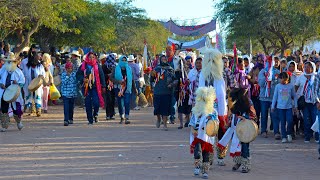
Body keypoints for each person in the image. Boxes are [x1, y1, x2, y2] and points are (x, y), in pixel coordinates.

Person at [198, 48, 228, 166]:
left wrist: (222, 112)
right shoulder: (203, 75)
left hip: (216, 108)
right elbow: (201, 92)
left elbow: (221, 94)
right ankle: (209, 157)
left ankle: (219, 157)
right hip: (207, 108)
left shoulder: (219, 76)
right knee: (208, 132)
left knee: (219, 132)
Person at [218, 88, 257, 173]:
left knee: (245, 147)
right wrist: (228, 124)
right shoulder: (235, 103)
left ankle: (246, 165)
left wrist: (245, 118)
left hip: (246, 129)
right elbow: (233, 115)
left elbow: (253, 116)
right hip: (236, 129)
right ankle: (238, 162)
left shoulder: (248, 103)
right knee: (236, 146)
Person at [189, 86, 217, 179]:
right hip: (196, 135)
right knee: (197, 152)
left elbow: (216, 123)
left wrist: (211, 119)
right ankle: (197, 166)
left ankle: (205, 171)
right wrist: (193, 129)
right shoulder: (196, 110)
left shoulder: (213, 111)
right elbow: (192, 122)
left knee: (206, 153)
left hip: (207, 136)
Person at [76, 52, 106, 125]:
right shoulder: (83, 65)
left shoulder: (97, 66)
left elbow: (102, 76)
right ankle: (90, 119)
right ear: (87, 58)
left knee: (96, 103)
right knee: (88, 103)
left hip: (95, 87)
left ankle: (95, 114)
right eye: (90, 57)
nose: (91, 58)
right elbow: (78, 75)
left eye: (93, 57)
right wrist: (82, 79)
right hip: (86, 87)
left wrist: (104, 86)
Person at [0, 53, 25, 132]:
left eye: (11, 62)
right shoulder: (2, 70)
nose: (10, 63)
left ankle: (19, 122)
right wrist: (1, 84)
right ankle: (4, 125)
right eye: (8, 62)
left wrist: (16, 83)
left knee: (16, 108)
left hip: (14, 93)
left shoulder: (18, 71)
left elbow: (22, 82)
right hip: (4, 92)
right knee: (4, 109)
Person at [296, 61, 319, 143]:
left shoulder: (316, 76)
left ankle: (317, 136)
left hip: (314, 103)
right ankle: (307, 136)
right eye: (305, 67)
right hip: (305, 103)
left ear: (312, 68)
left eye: (308, 67)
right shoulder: (301, 76)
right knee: (306, 120)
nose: (306, 68)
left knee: (315, 120)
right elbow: (296, 87)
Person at [258, 56, 280, 139]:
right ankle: (263, 130)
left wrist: (273, 78)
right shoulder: (262, 72)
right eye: (268, 61)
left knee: (274, 115)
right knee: (264, 114)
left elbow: (279, 83)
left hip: (273, 97)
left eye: (271, 61)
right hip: (264, 97)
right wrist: (266, 77)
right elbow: (260, 83)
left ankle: (276, 131)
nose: (269, 63)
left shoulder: (277, 72)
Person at [271, 72, 297, 143]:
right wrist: (273, 106)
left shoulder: (291, 86)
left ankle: (289, 133)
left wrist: (295, 106)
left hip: (289, 107)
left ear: (288, 79)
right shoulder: (278, 86)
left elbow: (294, 96)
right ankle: (284, 136)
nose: (282, 80)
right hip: (280, 108)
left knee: (290, 121)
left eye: (284, 79)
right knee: (282, 122)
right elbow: (275, 97)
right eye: (281, 79)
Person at [151, 55, 175, 131]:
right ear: (160, 60)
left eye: (165, 59)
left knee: (165, 110)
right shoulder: (157, 69)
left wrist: (172, 84)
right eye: (163, 59)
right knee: (157, 108)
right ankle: (158, 119)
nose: (164, 60)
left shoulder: (170, 69)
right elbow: (151, 79)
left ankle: (165, 125)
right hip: (157, 91)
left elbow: (175, 79)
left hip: (167, 92)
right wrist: (152, 75)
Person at [111, 55, 134, 124]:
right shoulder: (115, 68)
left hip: (127, 88)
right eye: (122, 60)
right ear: (120, 60)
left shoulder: (129, 69)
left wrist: (134, 89)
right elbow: (111, 78)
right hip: (118, 88)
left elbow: (132, 79)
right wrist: (119, 81)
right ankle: (122, 116)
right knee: (120, 103)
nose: (124, 61)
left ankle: (127, 117)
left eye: (125, 60)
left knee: (127, 102)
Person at [23, 51, 46, 117]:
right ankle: (32, 110)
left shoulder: (40, 66)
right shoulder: (27, 66)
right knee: (29, 96)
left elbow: (43, 74)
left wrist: (40, 77)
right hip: (28, 83)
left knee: (37, 96)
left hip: (37, 84)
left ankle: (38, 111)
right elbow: (23, 74)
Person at [248, 54, 265, 128]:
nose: (260, 62)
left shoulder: (266, 69)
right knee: (256, 110)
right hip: (255, 92)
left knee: (264, 112)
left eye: (261, 60)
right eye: (258, 60)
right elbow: (249, 76)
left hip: (264, 91)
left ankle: (264, 128)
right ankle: (256, 125)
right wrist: (251, 80)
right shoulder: (254, 68)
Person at [61, 62, 77, 126]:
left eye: (70, 68)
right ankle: (66, 120)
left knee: (71, 107)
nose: (69, 69)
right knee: (66, 107)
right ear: (66, 69)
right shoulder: (63, 75)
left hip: (72, 93)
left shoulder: (74, 74)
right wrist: (67, 76)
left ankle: (71, 118)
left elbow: (75, 82)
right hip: (65, 93)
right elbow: (64, 82)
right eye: (68, 68)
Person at [102, 54, 116, 120]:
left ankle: (112, 114)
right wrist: (108, 75)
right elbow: (101, 76)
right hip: (107, 85)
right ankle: (108, 114)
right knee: (108, 99)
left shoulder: (115, 66)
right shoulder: (104, 66)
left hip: (114, 85)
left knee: (113, 99)